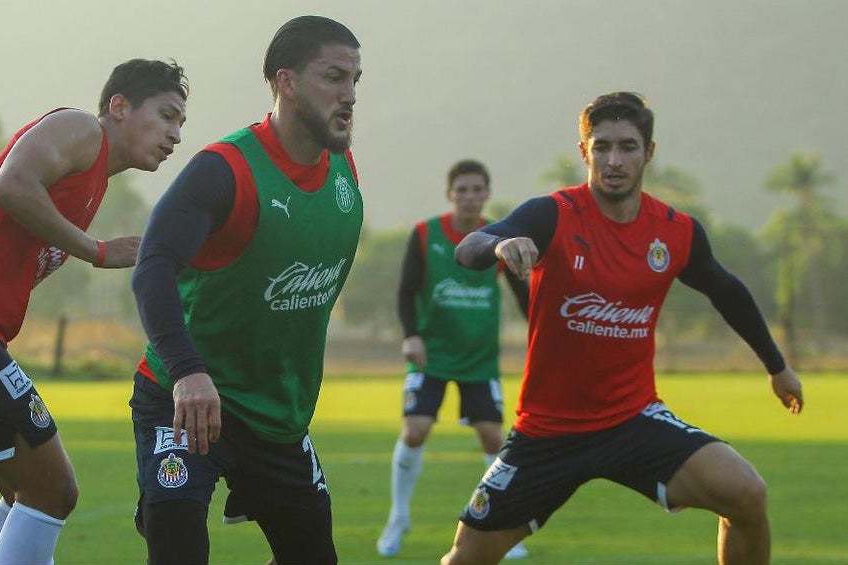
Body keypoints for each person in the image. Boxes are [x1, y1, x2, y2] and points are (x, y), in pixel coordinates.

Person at [442, 91, 804, 565]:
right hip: (548, 432)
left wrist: (777, 367)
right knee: (466, 558)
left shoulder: (675, 232)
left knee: (746, 493)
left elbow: (727, 291)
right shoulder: (553, 214)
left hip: (633, 420)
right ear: (584, 152)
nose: (614, 160)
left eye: (628, 147)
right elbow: (470, 245)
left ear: (648, 152)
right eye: (602, 147)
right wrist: (499, 245)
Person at [0, 59, 189, 565]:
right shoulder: (81, 129)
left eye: (181, 124)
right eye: (167, 115)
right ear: (119, 107)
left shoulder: (94, 185)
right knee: (54, 492)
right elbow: (10, 186)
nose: (175, 135)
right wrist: (98, 250)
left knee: (27, 493)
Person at [128, 15, 362, 565]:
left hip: (278, 416)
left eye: (356, 80)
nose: (349, 96)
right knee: (175, 531)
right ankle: (165, 495)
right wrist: (187, 370)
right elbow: (153, 264)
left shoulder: (342, 163)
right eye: (334, 77)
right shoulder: (226, 169)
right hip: (186, 401)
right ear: (286, 81)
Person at [376, 159, 530, 560]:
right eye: (462, 190)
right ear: (450, 194)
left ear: (486, 194)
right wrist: (411, 335)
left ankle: (496, 522)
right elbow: (406, 290)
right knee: (415, 430)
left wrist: (544, 333)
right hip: (433, 356)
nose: (469, 196)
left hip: (479, 359)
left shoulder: (499, 238)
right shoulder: (426, 234)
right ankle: (399, 516)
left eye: (477, 189)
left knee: (493, 438)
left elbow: (523, 296)